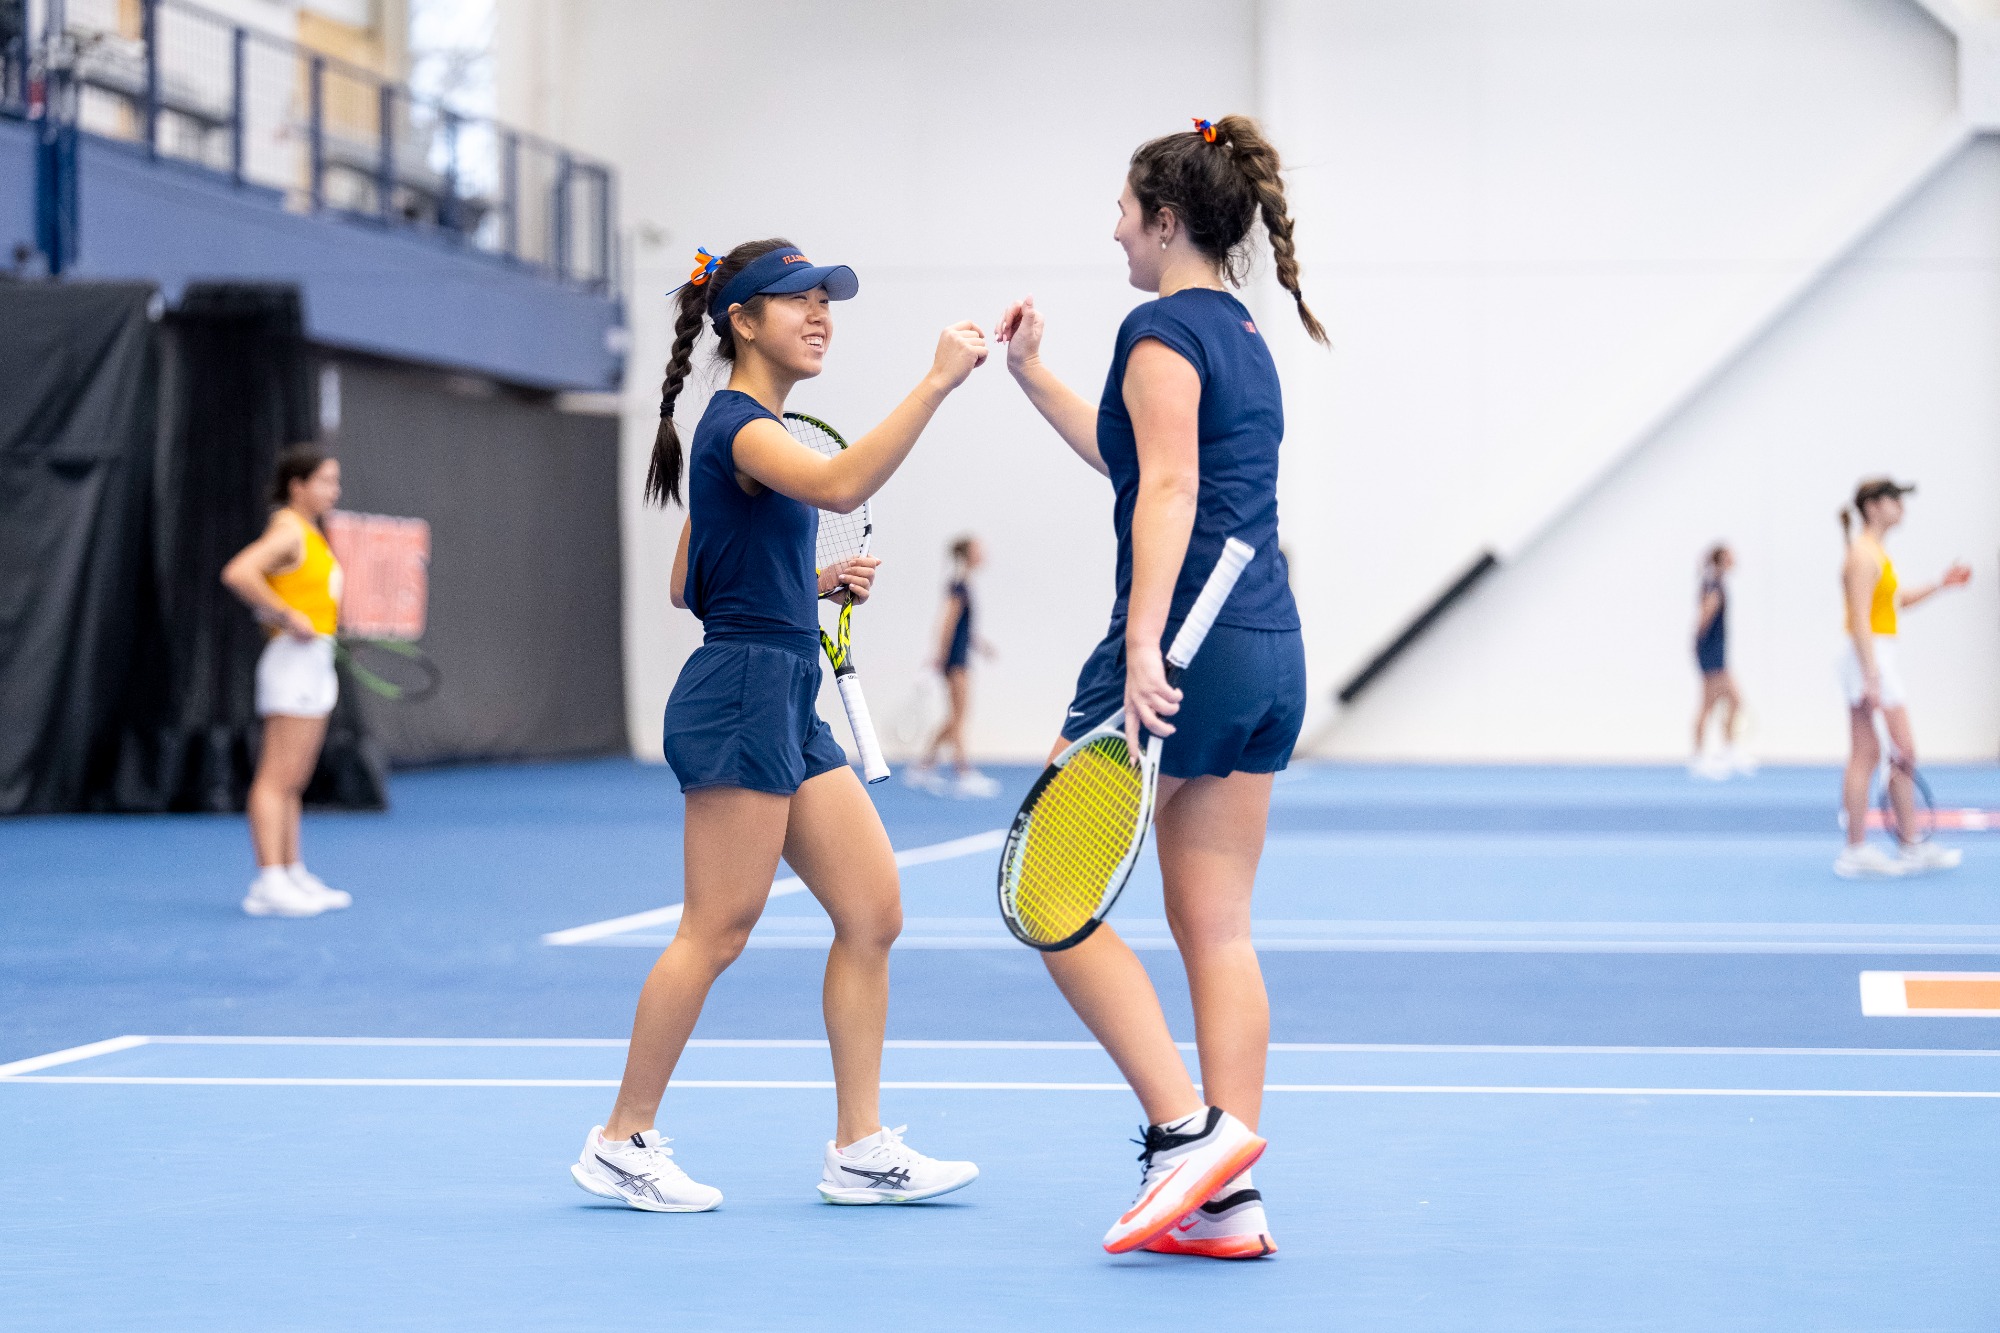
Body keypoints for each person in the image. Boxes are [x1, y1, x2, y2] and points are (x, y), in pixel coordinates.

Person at [571, 239, 987, 1213]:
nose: (818, 315)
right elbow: (839, 486)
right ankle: (620, 1139)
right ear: (741, 321)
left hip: (780, 687)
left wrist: (806, 581)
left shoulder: (749, 434)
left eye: (825, 302)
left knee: (873, 911)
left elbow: (689, 582)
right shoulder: (742, 428)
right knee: (715, 929)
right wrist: (933, 383)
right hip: (740, 695)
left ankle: (859, 1147)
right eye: (794, 300)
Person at [994, 114, 1318, 1259]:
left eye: (1126, 212)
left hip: (1182, 643)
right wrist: (1033, 377)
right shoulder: (1238, 334)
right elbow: (1133, 453)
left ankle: (1184, 1135)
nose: (1114, 231)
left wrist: (1141, 645)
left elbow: (1166, 490)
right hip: (1267, 644)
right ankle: (1228, 1200)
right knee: (1216, 927)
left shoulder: (1156, 327)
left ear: (1167, 220)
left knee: (1046, 895)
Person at [220, 446, 354, 918]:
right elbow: (238, 572)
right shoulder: (287, 529)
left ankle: (291, 870)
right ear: (297, 486)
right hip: (291, 661)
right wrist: (282, 613)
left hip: (315, 660)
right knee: (274, 778)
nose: (333, 491)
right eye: (324, 481)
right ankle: (268, 882)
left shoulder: (313, 534)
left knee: (294, 780)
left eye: (335, 482)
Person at [1834, 478, 1971, 878]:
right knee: (1883, 752)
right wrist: (1872, 676)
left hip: (1874, 655)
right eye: (1895, 500)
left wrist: (1940, 584)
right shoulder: (1862, 555)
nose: (1902, 508)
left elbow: (1894, 604)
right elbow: (1859, 618)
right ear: (1874, 506)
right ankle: (1857, 850)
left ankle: (1906, 844)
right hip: (1869, 657)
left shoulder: (1876, 553)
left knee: (1888, 754)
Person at [908, 536, 998, 797]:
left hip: (959, 658)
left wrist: (982, 646)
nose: (983, 553)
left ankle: (924, 765)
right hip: (954, 661)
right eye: (978, 549)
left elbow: (963, 628)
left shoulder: (966, 584)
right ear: (967, 555)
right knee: (959, 715)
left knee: (955, 716)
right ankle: (963, 773)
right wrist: (939, 657)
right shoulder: (958, 585)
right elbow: (947, 623)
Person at [1689, 544, 1751, 779]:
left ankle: (1727, 748)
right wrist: (1699, 644)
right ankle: (1700, 756)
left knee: (1731, 701)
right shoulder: (1713, 585)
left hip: (1715, 651)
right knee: (1712, 702)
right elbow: (1705, 616)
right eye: (1731, 557)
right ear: (1722, 559)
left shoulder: (1716, 583)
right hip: (1711, 652)